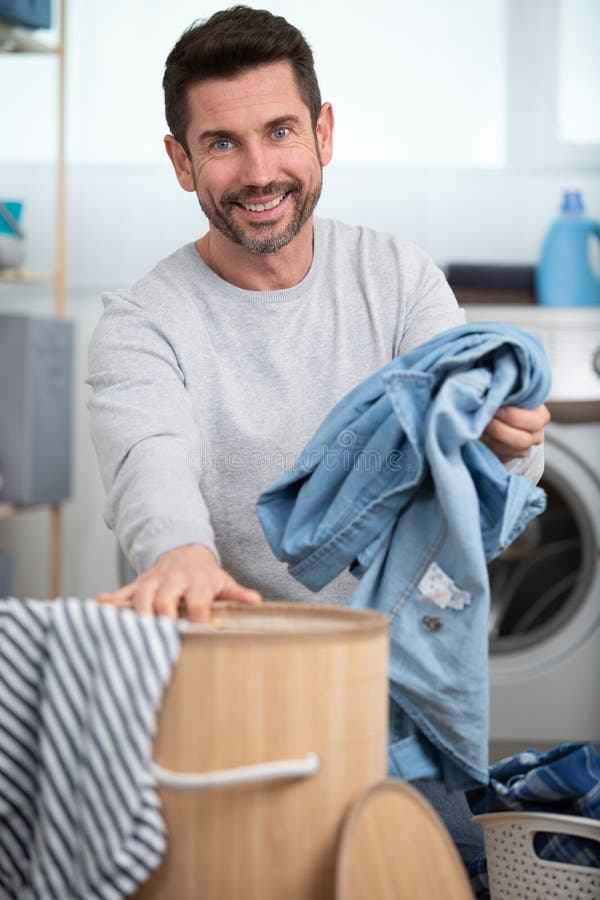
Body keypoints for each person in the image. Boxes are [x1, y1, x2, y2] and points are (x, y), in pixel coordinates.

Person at [87, 6, 549, 868]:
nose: (260, 171)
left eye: (280, 131)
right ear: (180, 162)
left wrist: (504, 441)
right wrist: (179, 550)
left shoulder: (398, 276)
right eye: (222, 144)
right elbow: (147, 455)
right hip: (230, 691)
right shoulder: (143, 322)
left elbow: (468, 446)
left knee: (449, 873)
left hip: (393, 692)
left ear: (324, 132)